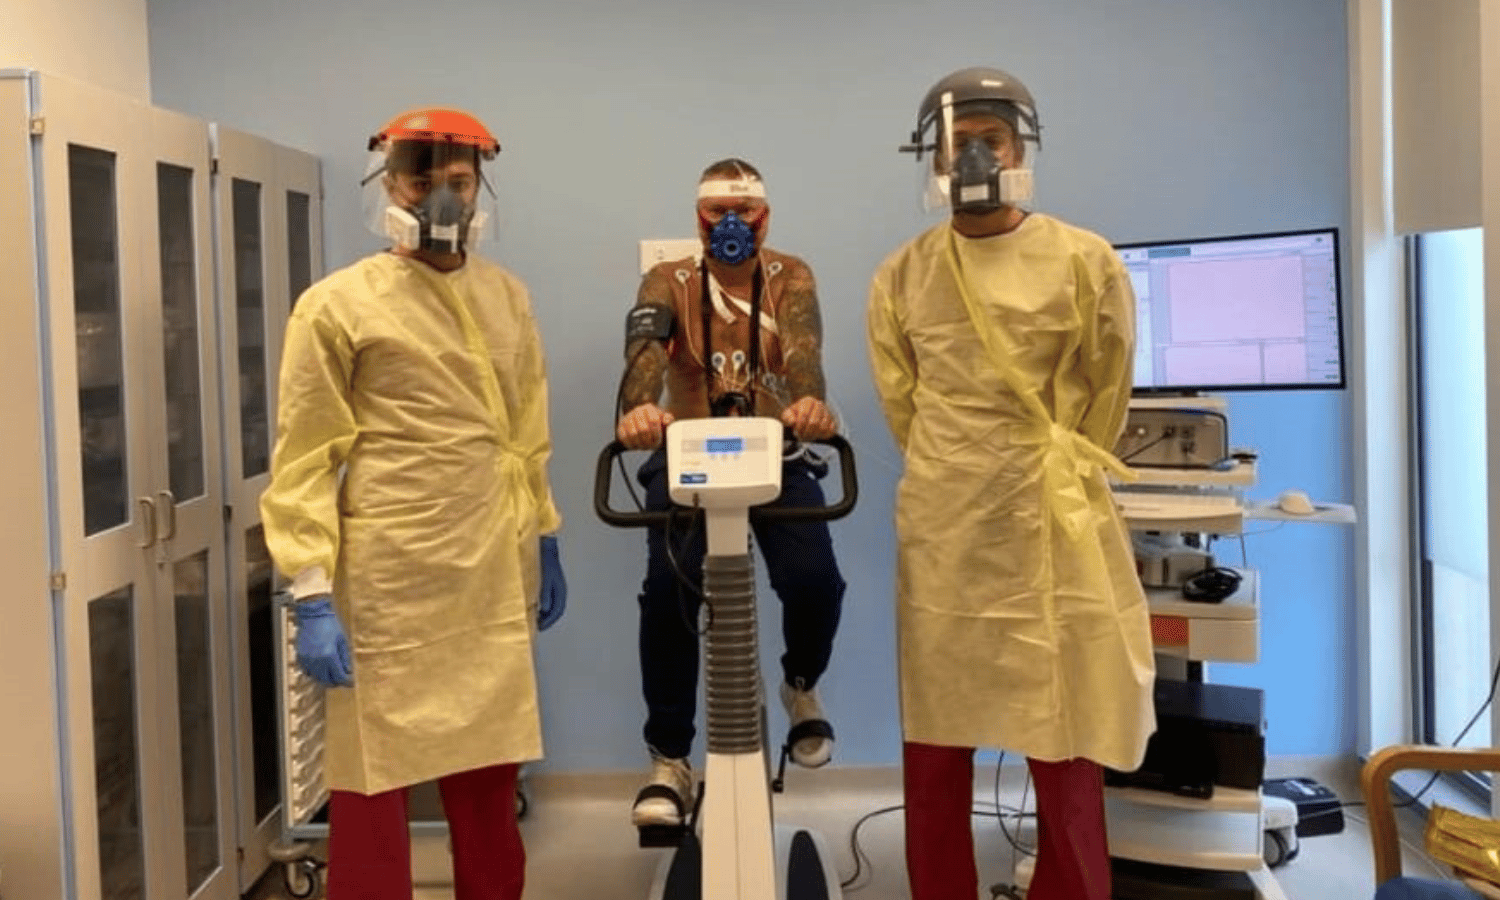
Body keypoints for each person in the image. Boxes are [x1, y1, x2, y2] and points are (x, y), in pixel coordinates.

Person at [260, 106, 567, 900]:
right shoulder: (337, 304)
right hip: (389, 578)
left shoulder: (507, 297)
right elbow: (303, 457)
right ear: (390, 184)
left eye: (458, 182)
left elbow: (527, 430)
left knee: (489, 783)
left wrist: (545, 531)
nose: (441, 198)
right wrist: (310, 590)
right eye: (421, 180)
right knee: (372, 787)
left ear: (479, 189)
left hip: (489, 570)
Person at [866, 67, 1155, 900]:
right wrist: (964, 469)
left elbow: (1105, 393)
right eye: (958, 145)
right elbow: (903, 405)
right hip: (946, 529)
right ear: (930, 159)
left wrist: (1035, 468)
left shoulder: (1083, 259)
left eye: (991, 141)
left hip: (1051, 521)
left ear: (1022, 149)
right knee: (937, 743)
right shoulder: (903, 275)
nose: (975, 158)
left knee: (1064, 736)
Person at [615, 158, 846, 828]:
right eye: (719, 212)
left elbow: (804, 353)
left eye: (745, 210)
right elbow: (645, 357)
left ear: (766, 216)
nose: (732, 224)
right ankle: (668, 758)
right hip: (687, 449)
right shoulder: (670, 280)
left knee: (814, 580)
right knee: (669, 590)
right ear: (699, 219)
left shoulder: (789, 275)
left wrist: (809, 405)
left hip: (774, 448)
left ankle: (801, 685)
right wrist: (636, 412)